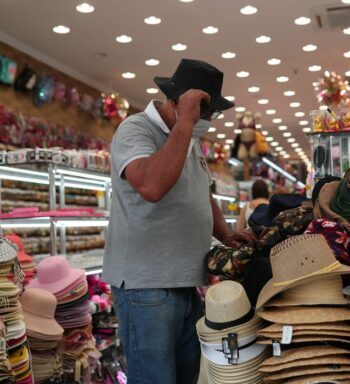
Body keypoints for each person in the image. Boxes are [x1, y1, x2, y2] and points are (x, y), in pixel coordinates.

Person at [103, 59, 253, 384]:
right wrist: (186, 123)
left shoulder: (188, 139)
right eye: (204, 111)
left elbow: (202, 192)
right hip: (147, 287)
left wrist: (227, 235)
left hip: (185, 283)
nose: (207, 121)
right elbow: (151, 185)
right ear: (177, 103)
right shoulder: (136, 129)